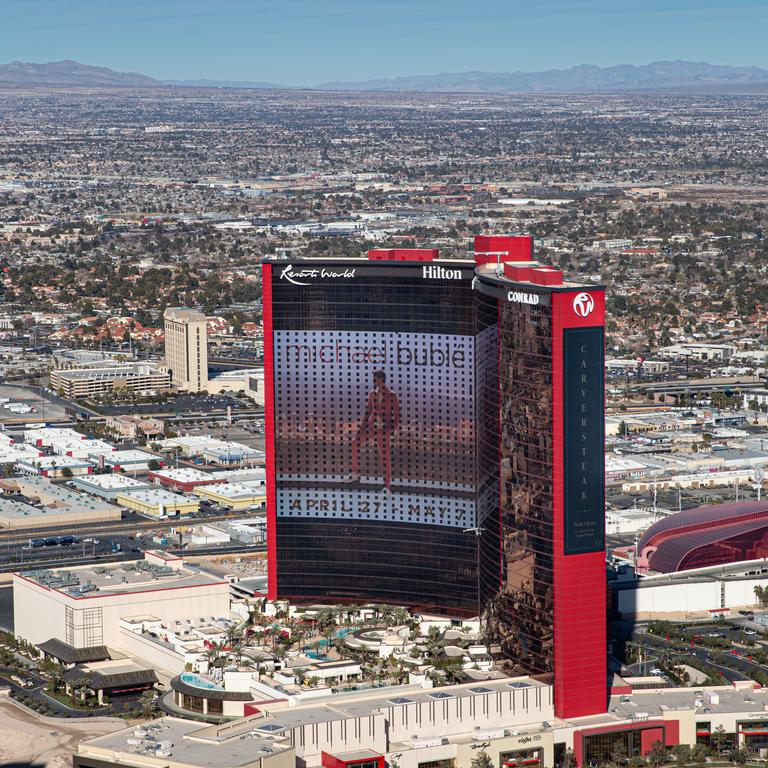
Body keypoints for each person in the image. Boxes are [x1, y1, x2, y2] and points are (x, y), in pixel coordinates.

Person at [348, 369, 400, 492]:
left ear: (381, 380)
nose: (373, 382)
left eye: (375, 379)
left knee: (385, 457)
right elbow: (368, 412)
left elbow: (397, 415)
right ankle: (355, 474)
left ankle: (386, 486)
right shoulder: (372, 394)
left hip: (384, 431)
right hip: (371, 428)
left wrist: (390, 428)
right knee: (355, 443)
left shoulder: (392, 395)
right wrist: (360, 430)